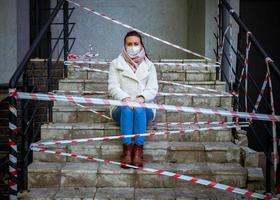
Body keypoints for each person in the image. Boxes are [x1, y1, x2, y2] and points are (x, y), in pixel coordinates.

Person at [108, 31, 158, 168]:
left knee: (140, 109)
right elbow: (112, 87)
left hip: (144, 106)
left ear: (141, 45)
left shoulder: (150, 65)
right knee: (128, 109)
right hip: (121, 107)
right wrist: (126, 99)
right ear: (124, 46)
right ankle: (127, 151)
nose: (133, 46)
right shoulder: (115, 64)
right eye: (129, 44)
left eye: (136, 44)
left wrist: (141, 98)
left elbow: (153, 88)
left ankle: (138, 151)